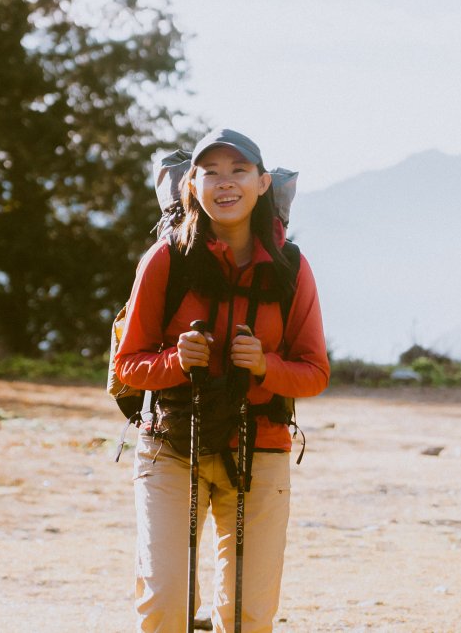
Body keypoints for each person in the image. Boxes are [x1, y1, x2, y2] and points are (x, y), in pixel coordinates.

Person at [113, 128, 330, 632]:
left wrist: (265, 366)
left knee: (247, 616)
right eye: (211, 171)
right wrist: (174, 361)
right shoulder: (165, 259)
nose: (224, 182)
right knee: (166, 608)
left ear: (261, 184)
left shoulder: (289, 268)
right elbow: (128, 364)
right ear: (192, 183)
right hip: (171, 445)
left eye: (238, 171)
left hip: (260, 447)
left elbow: (315, 372)